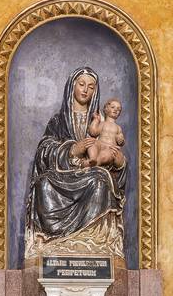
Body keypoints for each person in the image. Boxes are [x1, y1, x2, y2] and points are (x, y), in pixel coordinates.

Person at [24, 67, 127, 261]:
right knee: (43, 185)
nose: (85, 90)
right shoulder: (59, 121)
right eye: (81, 84)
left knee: (101, 181)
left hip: (92, 172)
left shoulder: (102, 122)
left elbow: (113, 149)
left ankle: (93, 241)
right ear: (71, 87)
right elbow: (43, 151)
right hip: (63, 174)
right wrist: (72, 150)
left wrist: (120, 163)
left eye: (90, 87)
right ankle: (53, 242)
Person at [87, 99, 126, 167]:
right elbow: (93, 132)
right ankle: (92, 158)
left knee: (105, 155)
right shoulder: (102, 124)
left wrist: (121, 139)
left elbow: (121, 142)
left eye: (118, 109)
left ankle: (95, 164)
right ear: (106, 109)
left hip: (110, 148)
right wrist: (96, 120)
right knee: (92, 143)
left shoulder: (118, 127)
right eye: (113, 107)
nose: (116, 110)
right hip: (100, 144)